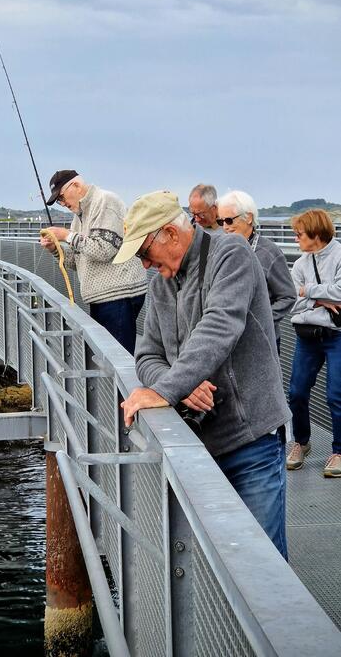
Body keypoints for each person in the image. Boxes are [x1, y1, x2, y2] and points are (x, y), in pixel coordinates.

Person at [113, 190, 291, 558]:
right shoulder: (162, 282)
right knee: (218, 569)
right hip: (200, 447)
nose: (145, 265)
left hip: (251, 441)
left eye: (145, 253)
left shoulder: (231, 254)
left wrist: (165, 390)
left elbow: (220, 325)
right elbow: (146, 355)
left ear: (171, 235)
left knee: (264, 566)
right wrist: (179, 384)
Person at [40, 169, 147, 355]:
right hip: (103, 298)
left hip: (119, 295)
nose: (62, 203)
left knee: (117, 359)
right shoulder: (79, 217)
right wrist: (55, 249)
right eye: (58, 201)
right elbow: (76, 262)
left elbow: (103, 249)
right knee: (106, 358)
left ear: (76, 186)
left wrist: (67, 235)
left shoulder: (105, 201)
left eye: (62, 197)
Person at [286, 209, 341, 477]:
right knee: (296, 392)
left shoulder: (340, 256)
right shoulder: (299, 265)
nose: (296, 239)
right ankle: (301, 442)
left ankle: (339, 451)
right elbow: (290, 301)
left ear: (316, 234)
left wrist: (307, 292)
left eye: (299, 234)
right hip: (307, 336)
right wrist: (321, 299)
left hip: (336, 337)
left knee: (336, 395)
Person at [216, 190, 295, 349]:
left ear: (249, 218)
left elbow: (288, 296)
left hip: (262, 340)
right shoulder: (221, 248)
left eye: (230, 220)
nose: (225, 227)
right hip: (229, 339)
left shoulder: (269, 252)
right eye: (221, 221)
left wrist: (261, 320)